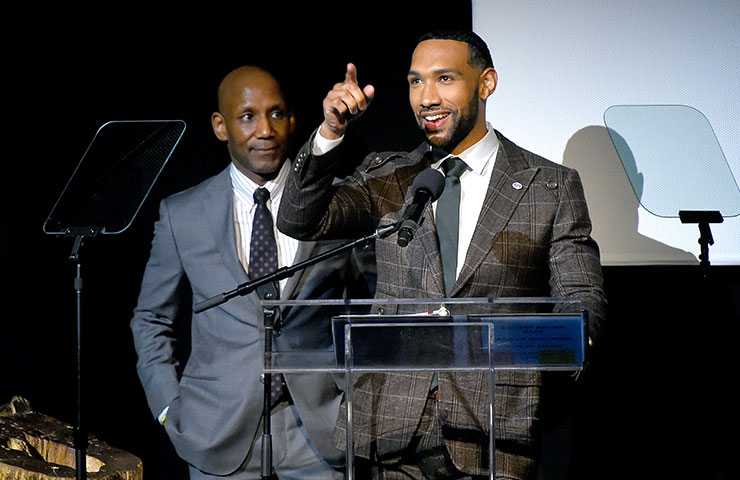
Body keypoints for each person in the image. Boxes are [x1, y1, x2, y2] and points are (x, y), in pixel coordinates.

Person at [277, 29, 607, 479]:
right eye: (415, 82)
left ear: (486, 83)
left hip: (494, 429)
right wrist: (330, 133)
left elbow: (581, 298)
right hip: (387, 425)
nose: (426, 97)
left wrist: (555, 359)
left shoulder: (548, 186)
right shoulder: (388, 175)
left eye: (444, 79)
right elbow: (299, 219)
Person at [130, 65, 369, 479]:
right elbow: (151, 319)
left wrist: (359, 398)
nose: (265, 130)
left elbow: (385, 303)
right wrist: (169, 408)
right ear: (221, 126)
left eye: (276, 114)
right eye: (247, 117)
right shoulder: (182, 213)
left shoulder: (338, 204)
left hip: (320, 431)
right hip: (215, 431)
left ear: (293, 120)